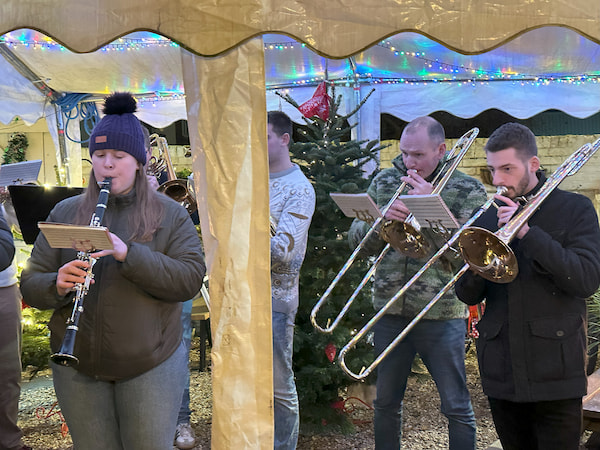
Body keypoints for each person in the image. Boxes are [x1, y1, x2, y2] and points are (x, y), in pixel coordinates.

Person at [20, 92, 206, 450]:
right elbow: (31, 282)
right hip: (77, 364)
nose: (108, 164)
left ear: (139, 161)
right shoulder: (66, 211)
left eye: (118, 156)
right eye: (100, 155)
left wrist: (127, 253)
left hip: (150, 363)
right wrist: (56, 284)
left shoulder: (170, 214)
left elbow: (188, 279)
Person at [454, 122, 600, 450]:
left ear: (533, 164)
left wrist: (527, 234)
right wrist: (479, 262)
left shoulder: (574, 210)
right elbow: (465, 293)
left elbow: (586, 280)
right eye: (492, 170)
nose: (498, 180)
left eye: (507, 169)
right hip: (502, 371)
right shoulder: (488, 218)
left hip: (556, 373)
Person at [348, 116, 487, 450]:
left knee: (455, 405)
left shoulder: (467, 189)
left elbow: (472, 258)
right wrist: (380, 222)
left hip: (441, 314)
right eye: (405, 153)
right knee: (385, 403)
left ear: (441, 150)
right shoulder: (384, 182)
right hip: (390, 310)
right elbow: (355, 239)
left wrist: (433, 211)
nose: (410, 162)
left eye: (419, 155)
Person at [143, 128, 198, 450]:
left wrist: (162, 199)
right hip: (137, 279)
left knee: (178, 352)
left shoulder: (172, 180)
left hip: (174, 278)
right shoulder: (118, 186)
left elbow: (190, 226)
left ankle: (181, 419)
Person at [267, 110, 315, 449]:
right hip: (243, 296)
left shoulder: (300, 189)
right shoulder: (252, 180)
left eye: (264, 137)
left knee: (279, 385)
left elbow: (283, 254)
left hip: (276, 300)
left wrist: (245, 223)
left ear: (284, 140)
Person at [0, 201, 28, 450]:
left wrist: (15, 198)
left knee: (8, 371)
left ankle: (9, 441)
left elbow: (25, 229)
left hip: (4, 287)